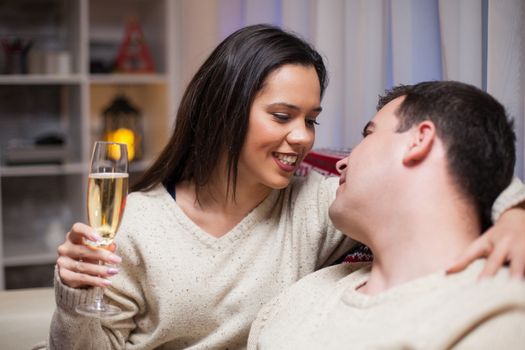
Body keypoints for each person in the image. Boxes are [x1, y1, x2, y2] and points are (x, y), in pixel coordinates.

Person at [49, 24, 525, 349]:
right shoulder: (139, 224)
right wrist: (76, 293)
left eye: (311, 120)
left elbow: (451, 171)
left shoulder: (321, 202)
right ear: (225, 109)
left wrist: (515, 212)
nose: (301, 137)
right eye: (282, 116)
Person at [248, 81, 525, 349]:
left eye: (369, 134)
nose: (342, 162)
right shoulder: (295, 300)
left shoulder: (494, 311)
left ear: (420, 140)